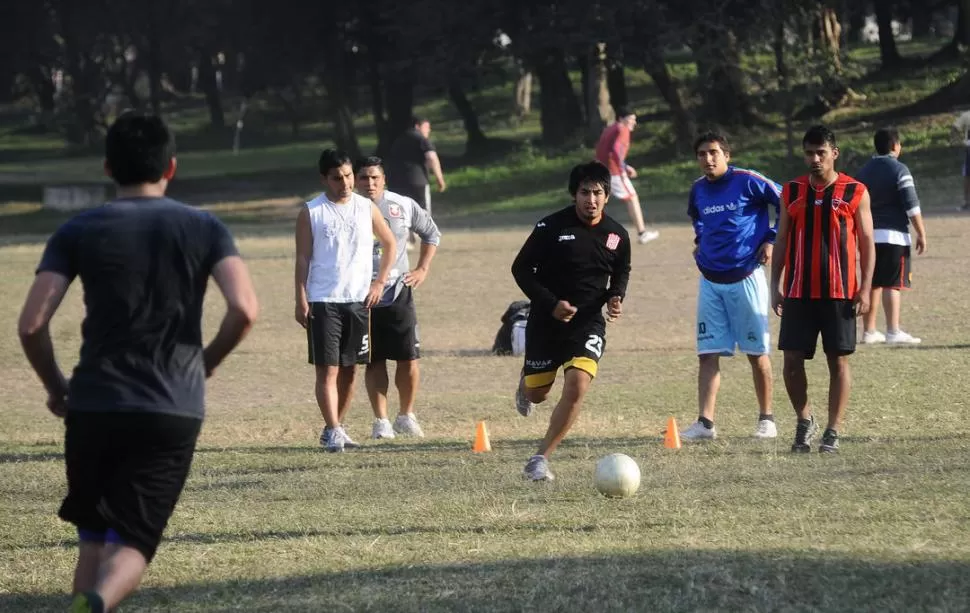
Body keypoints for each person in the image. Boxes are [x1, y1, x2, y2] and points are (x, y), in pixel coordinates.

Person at [17, 112, 259, 613]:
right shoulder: (204, 227)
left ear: (108, 167)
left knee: (92, 535)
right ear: (171, 167)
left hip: (95, 402)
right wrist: (205, 362)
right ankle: (99, 602)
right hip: (171, 404)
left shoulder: (78, 229)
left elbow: (32, 324)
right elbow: (244, 309)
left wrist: (57, 386)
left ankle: (88, 600)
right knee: (134, 539)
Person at [511, 161, 632, 481]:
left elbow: (621, 271)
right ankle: (526, 382)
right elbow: (520, 269)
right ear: (573, 194)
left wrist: (616, 296)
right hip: (546, 323)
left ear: (607, 196)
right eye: (584, 192)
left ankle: (539, 458)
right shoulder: (550, 228)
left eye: (597, 193)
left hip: (588, 324)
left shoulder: (617, 235)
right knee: (539, 394)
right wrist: (551, 304)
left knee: (578, 384)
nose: (590, 199)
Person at [770, 125, 875, 454]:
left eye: (820, 152)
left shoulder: (854, 191)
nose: (814, 159)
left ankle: (833, 429)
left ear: (834, 153)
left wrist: (866, 288)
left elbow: (868, 242)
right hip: (799, 291)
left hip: (841, 291)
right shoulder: (792, 191)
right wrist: (775, 285)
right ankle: (804, 420)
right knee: (790, 360)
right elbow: (783, 239)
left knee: (838, 362)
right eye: (809, 153)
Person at [681, 130, 780, 441]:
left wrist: (771, 239)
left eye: (714, 153)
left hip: (746, 277)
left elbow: (789, 204)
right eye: (702, 154)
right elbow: (697, 219)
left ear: (726, 155)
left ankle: (767, 420)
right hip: (710, 281)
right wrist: (700, 241)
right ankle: (705, 424)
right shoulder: (697, 190)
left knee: (756, 352)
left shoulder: (748, 180)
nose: (708, 159)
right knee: (707, 354)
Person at [295, 149, 397, 452]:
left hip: (358, 300)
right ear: (325, 179)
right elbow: (302, 258)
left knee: (351, 368)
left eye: (349, 176)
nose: (346, 183)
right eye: (337, 178)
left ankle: (333, 428)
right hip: (323, 299)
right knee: (328, 369)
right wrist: (300, 296)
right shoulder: (312, 212)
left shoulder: (366, 208)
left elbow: (390, 244)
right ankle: (336, 429)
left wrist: (379, 282)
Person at [354, 156, 441, 439]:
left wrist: (422, 269)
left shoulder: (402, 204)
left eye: (375, 177)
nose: (370, 183)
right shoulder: (347, 209)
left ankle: (406, 415)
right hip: (360, 295)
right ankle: (381, 421)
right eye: (364, 178)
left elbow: (431, 233)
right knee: (373, 360)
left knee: (408, 358)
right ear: (355, 180)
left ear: (384, 180)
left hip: (397, 292)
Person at [856, 127, 928, 345]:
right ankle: (893, 330)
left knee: (873, 282)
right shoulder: (900, 169)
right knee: (892, 284)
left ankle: (869, 332)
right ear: (895, 146)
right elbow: (912, 205)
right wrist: (921, 233)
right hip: (894, 235)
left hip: (868, 236)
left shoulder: (864, 172)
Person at [594, 106, 659, 245]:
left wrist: (625, 165)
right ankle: (642, 233)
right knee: (632, 197)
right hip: (613, 171)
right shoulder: (622, 129)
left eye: (634, 120)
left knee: (597, 200)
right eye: (631, 119)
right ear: (621, 119)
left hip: (600, 168)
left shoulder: (610, 129)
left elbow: (603, 149)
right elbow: (617, 149)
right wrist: (622, 168)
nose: (633, 122)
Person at [386, 116, 446, 216]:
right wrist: (439, 178)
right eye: (427, 127)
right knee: (422, 214)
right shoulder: (422, 139)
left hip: (395, 182)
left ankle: (405, 232)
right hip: (418, 182)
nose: (429, 130)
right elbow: (432, 157)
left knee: (402, 214)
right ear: (417, 126)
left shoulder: (398, 139)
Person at [952, 109, 970, 211]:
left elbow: (955, 128)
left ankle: (966, 201)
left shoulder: (966, 115)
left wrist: (956, 140)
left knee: (967, 175)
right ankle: (966, 202)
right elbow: (955, 127)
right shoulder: (967, 115)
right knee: (967, 175)